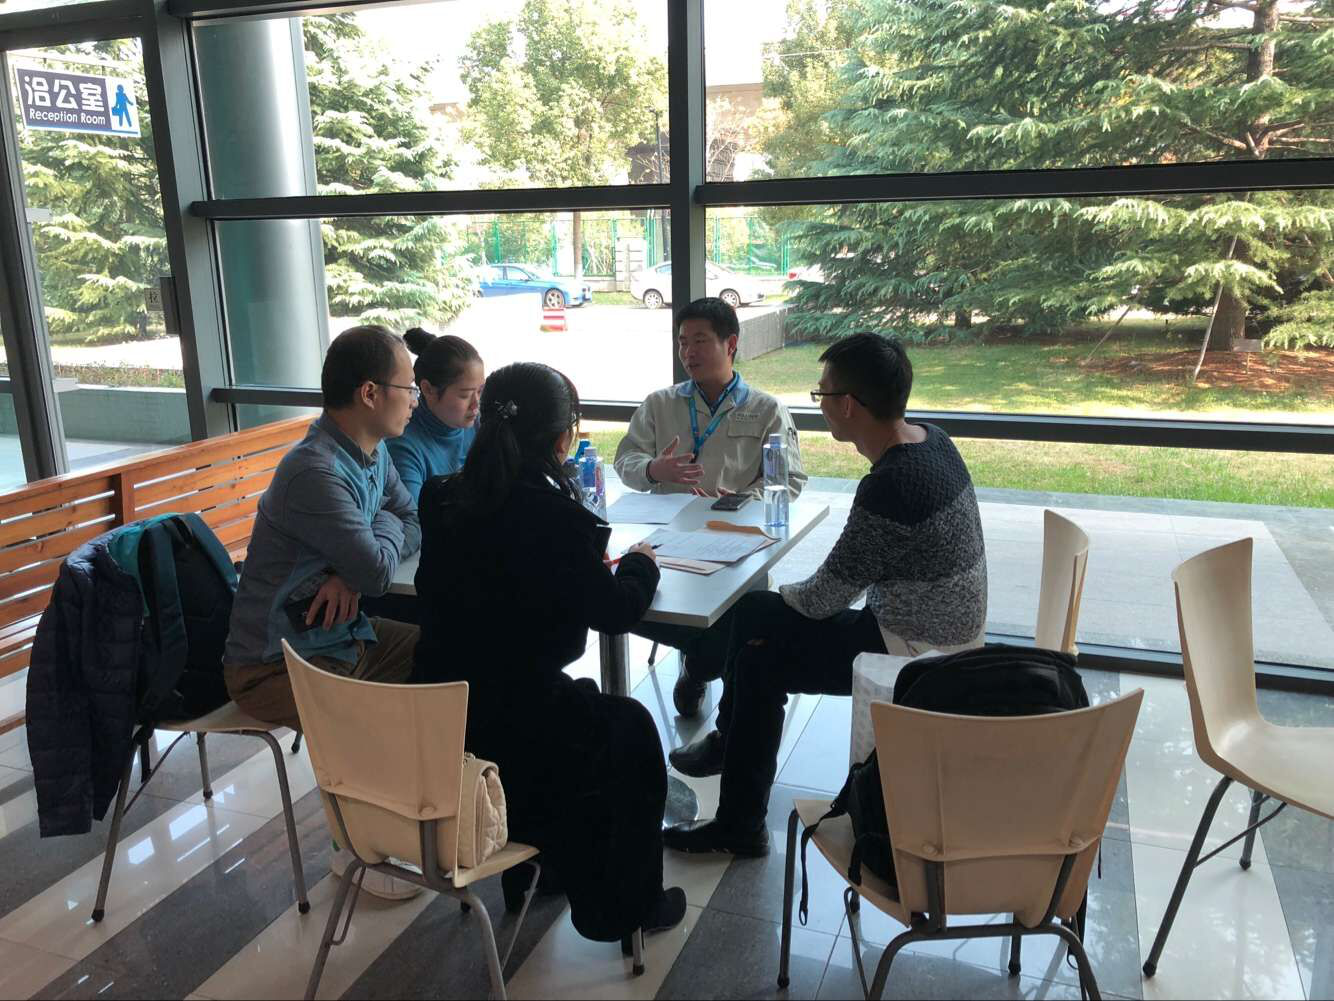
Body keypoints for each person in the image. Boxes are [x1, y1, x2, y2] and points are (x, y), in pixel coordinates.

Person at [663, 332, 989, 857]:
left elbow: (823, 598)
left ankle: (739, 816)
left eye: (822, 394)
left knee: (757, 654)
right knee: (755, 625)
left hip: (917, 651)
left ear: (849, 405)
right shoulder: (932, 440)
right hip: (948, 630)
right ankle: (730, 749)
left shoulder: (892, 484)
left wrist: (777, 598)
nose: (819, 404)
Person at [412, 361, 687, 946]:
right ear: (563, 440)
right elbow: (615, 611)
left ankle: (539, 870)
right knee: (630, 729)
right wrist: (641, 565)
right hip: (520, 735)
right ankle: (625, 906)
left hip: (441, 725)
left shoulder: (442, 497)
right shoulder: (555, 517)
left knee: (579, 716)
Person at [223, 325, 423, 899]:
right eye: (409, 388)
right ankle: (359, 849)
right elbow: (378, 572)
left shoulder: (372, 452)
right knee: (372, 719)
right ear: (370, 393)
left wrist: (350, 566)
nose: (414, 399)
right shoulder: (314, 471)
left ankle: (419, 820)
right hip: (272, 666)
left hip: (340, 638)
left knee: (449, 657)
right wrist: (362, 561)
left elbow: (412, 518)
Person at [614, 297, 807, 718]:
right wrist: (654, 468)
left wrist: (739, 500)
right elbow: (625, 461)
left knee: (736, 622)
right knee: (705, 631)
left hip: (737, 545)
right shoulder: (660, 403)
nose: (688, 352)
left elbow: (789, 480)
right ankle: (702, 664)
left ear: (730, 344)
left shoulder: (766, 409)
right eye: (683, 342)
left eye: (700, 341)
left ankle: (699, 670)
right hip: (670, 545)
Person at [386, 327, 483, 502]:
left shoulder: (480, 423)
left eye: (480, 391)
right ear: (428, 389)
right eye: (465, 395)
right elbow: (414, 514)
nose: (476, 404)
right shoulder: (403, 447)